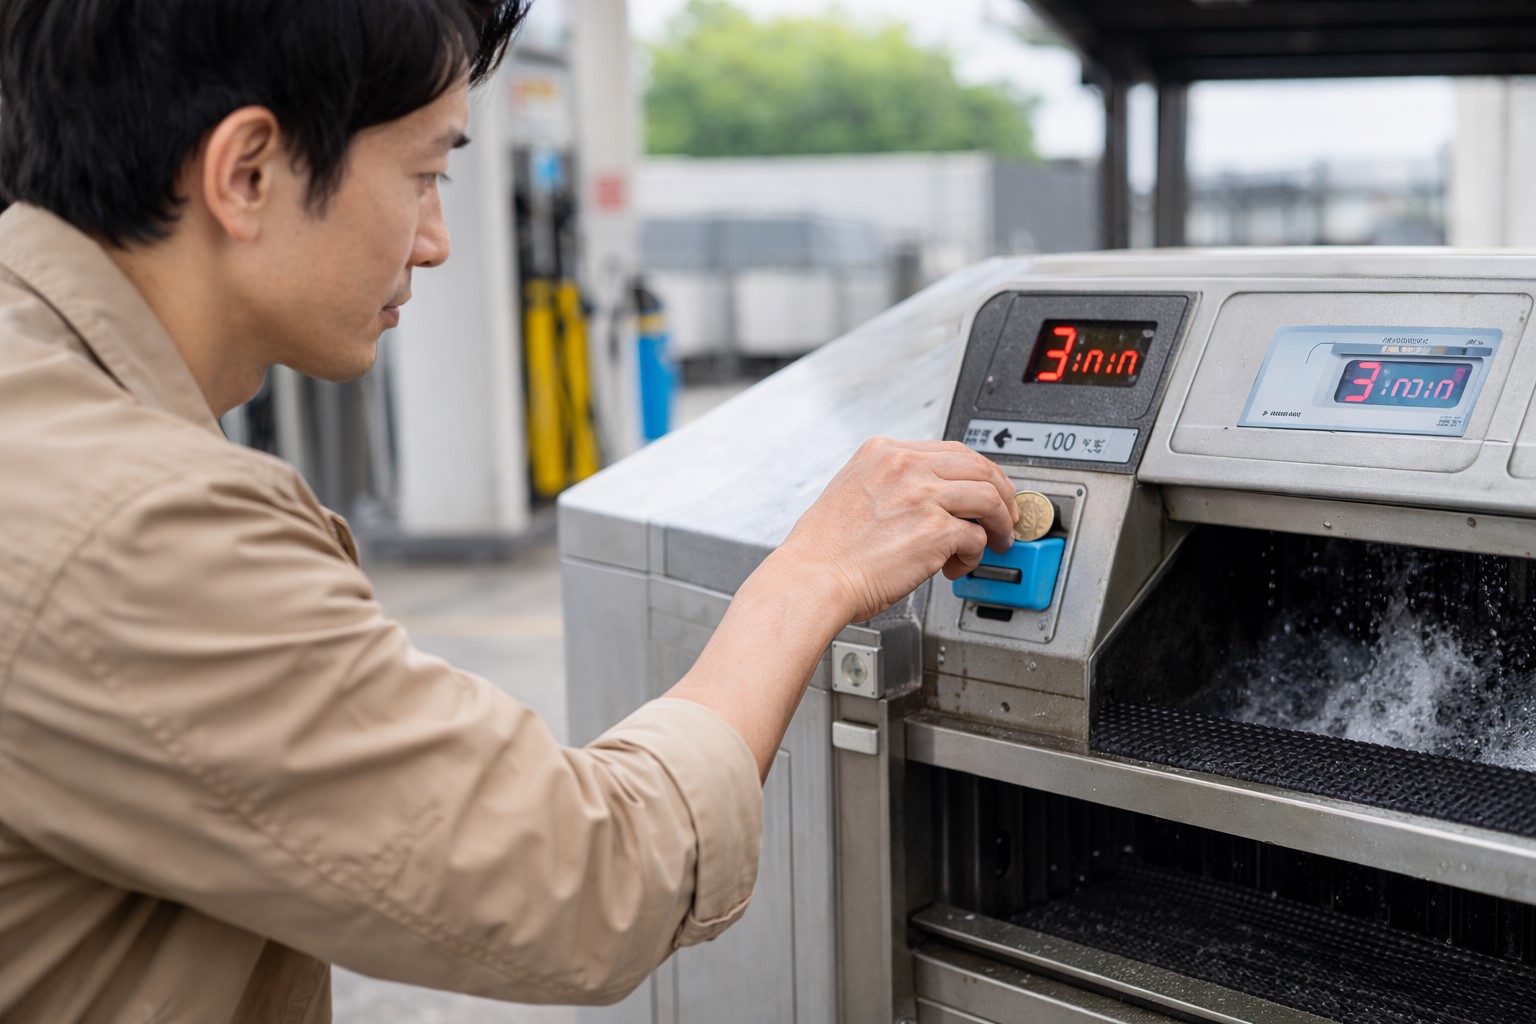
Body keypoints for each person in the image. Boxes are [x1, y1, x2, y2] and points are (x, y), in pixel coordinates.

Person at [0, 1, 1019, 1021]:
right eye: (425, 173)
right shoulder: (133, 523)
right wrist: (810, 577)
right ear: (249, 171)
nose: (438, 242)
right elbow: (588, 879)